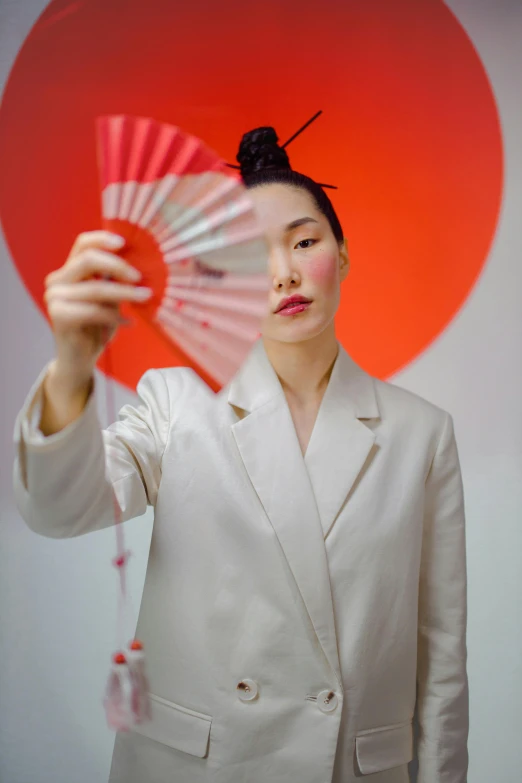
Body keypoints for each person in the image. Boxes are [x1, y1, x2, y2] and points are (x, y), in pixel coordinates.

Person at [13, 126, 469, 783]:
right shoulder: (175, 402)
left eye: (304, 241)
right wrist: (70, 368)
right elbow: (59, 507)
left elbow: (441, 652)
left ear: (341, 253)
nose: (283, 272)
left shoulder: (422, 432)